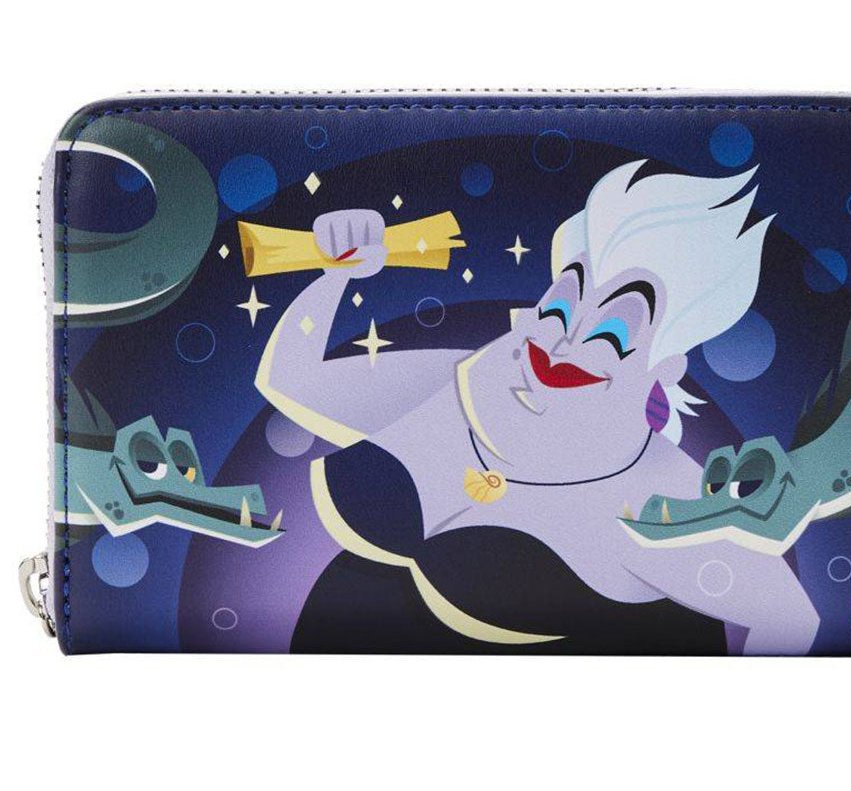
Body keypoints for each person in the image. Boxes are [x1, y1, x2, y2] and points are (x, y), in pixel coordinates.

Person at [256, 160, 820, 654]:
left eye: (613, 331)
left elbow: (791, 621)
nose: (564, 342)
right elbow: (292, 381)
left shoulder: (664, 498)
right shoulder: (462, 381)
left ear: (665, 366)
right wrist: (335, 276)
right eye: (561, 305)